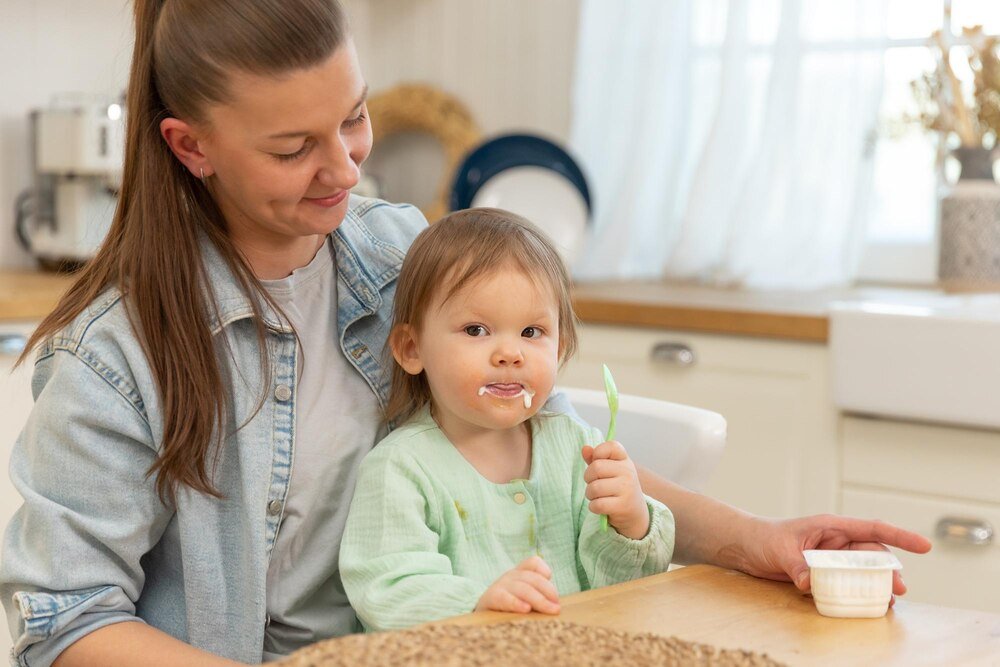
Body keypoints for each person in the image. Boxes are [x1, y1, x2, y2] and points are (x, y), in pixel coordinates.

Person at [0, 0, 931, 665]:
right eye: (293, 149)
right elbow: (70, 617)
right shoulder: (116, 355)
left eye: (354, 117)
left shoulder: (398, 252)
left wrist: (757, 540)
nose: (343, 167)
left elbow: (544, 438)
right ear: (189, 145)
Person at [340, 209, 676, 631]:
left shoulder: (578, 449)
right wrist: (475, 604)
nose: (509, 353)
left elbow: (623, 592)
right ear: (411, 348)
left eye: (531, 333)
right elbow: (386, 589)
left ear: (559, 347)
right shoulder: (400, 469)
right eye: (476, 330)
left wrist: (630, 523)